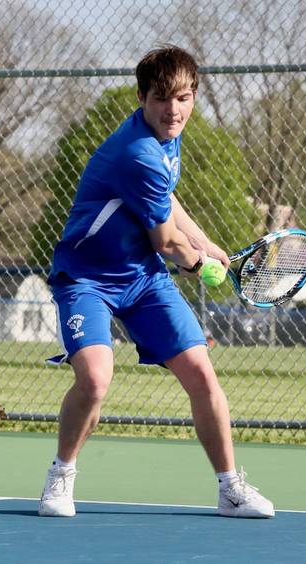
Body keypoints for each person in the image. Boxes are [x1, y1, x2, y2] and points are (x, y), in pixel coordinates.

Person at [39, 45, 274, 519]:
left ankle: (230, 488)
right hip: (87, 279)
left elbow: (167, 200)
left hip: (142, 279)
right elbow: (166, 241)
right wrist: (198, 263)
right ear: (143, 97)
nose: (175, 110)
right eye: (164, 99)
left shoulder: (167, 140)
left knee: (202, 374)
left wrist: (205, 242)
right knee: (95, 380)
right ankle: (61, 476)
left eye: (184, 98)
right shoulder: (137, 153)